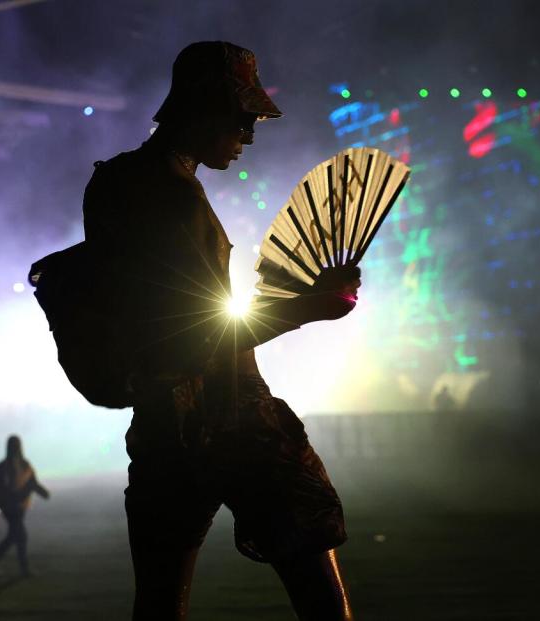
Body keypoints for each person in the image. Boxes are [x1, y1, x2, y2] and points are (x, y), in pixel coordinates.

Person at [83, 41, 361, 620]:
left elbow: (158, 326)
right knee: (320, 596)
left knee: (158, 604)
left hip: (161, 425)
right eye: (242, 119)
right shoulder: (177, 199)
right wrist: (310, 307)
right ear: (205, 108)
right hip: (235, 421)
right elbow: (196, 339)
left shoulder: (113, 183)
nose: (249, 136)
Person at [0, 435, 50, 577]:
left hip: (19, 506)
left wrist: (43, 492)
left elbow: (32, 482)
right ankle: (23, 569)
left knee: (14, 536)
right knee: (20, 535)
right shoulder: (6, 466)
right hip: (9, 507)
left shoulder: (23, 465)